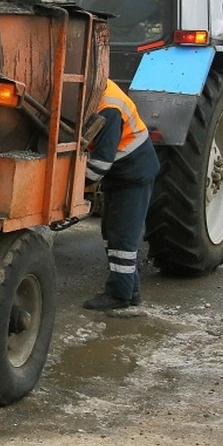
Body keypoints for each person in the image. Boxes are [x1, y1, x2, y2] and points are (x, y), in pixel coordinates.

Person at [82, 80, 160, 311]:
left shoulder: (109, 109)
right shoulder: (99, 88)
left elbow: (98, 165)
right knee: (112, 232)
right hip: (124, 173)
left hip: (133, 174)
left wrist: (72, 189)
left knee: (122, 237)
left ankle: (119, 295)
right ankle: (130, 290)